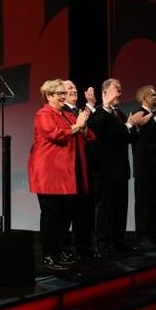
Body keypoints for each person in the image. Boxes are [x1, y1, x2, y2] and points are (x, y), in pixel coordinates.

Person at [27, 79, 94, 271]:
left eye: (64, 94)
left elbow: (88, 135)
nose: (63, 97)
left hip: (65, 174)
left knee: (64, 216)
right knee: (51, 215)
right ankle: (48, 255)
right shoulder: (43, 113)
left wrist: (83, 125)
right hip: (49, 172)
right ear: (48, 96)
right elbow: (54, 134)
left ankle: (59, 250)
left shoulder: (66, 114)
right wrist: (78, 125)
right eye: (59, 94)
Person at [86, 79, 150, 253]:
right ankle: (103, 242)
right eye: (117, 90)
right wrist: (129, 125)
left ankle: (118, 240)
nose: (120, 94)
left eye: (121, 90)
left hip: (121, 170)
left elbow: (128, 138)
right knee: (105, 208)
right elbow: (105, 133)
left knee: (120, 207)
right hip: (104, 170)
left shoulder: (120, 114)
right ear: (105, 93)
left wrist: (136, 127)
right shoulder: (97, 113)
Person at [62, 80, 95, 256]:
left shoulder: (79, 111)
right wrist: (81, 122)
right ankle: (64, 248)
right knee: (67, 211)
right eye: (69, 88)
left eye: (75, 87)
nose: (74, 90)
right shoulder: (61, 111)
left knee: (83, 209)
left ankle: (83, 246)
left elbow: (89, 135)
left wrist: (84, 120)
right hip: (69, 166)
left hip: (82, 165)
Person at [131, 85, 156, 248]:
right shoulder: (139, 115)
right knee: (143, 203)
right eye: (153, 94)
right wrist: (136, 126)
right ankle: (142, 237)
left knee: (155, 203)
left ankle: (154, 235)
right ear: (144, 98)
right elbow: (134, 139)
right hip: (144, 168)